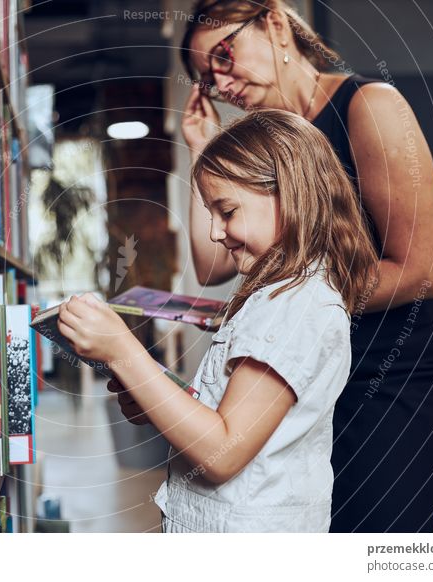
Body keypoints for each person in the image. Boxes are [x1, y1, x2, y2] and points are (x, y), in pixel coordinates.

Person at [172, 0, 433, 532]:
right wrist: (201, 147)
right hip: (314, 360)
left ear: (276, 24)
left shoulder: (370, 105)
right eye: (204, 77)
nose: (219, 81)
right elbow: (213, 263)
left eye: (223, 54)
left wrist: (291, 307)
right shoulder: (270, 141)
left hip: (398, 363)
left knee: (373, 531)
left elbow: (423, 269)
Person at [58, 109, 378, 532]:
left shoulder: (297, 305)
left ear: (291, 194)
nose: (214, 232)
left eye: (226, 211)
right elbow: (224, 415)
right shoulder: (277, 295)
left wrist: (124, 351)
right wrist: (153, 395)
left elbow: (223, 451)